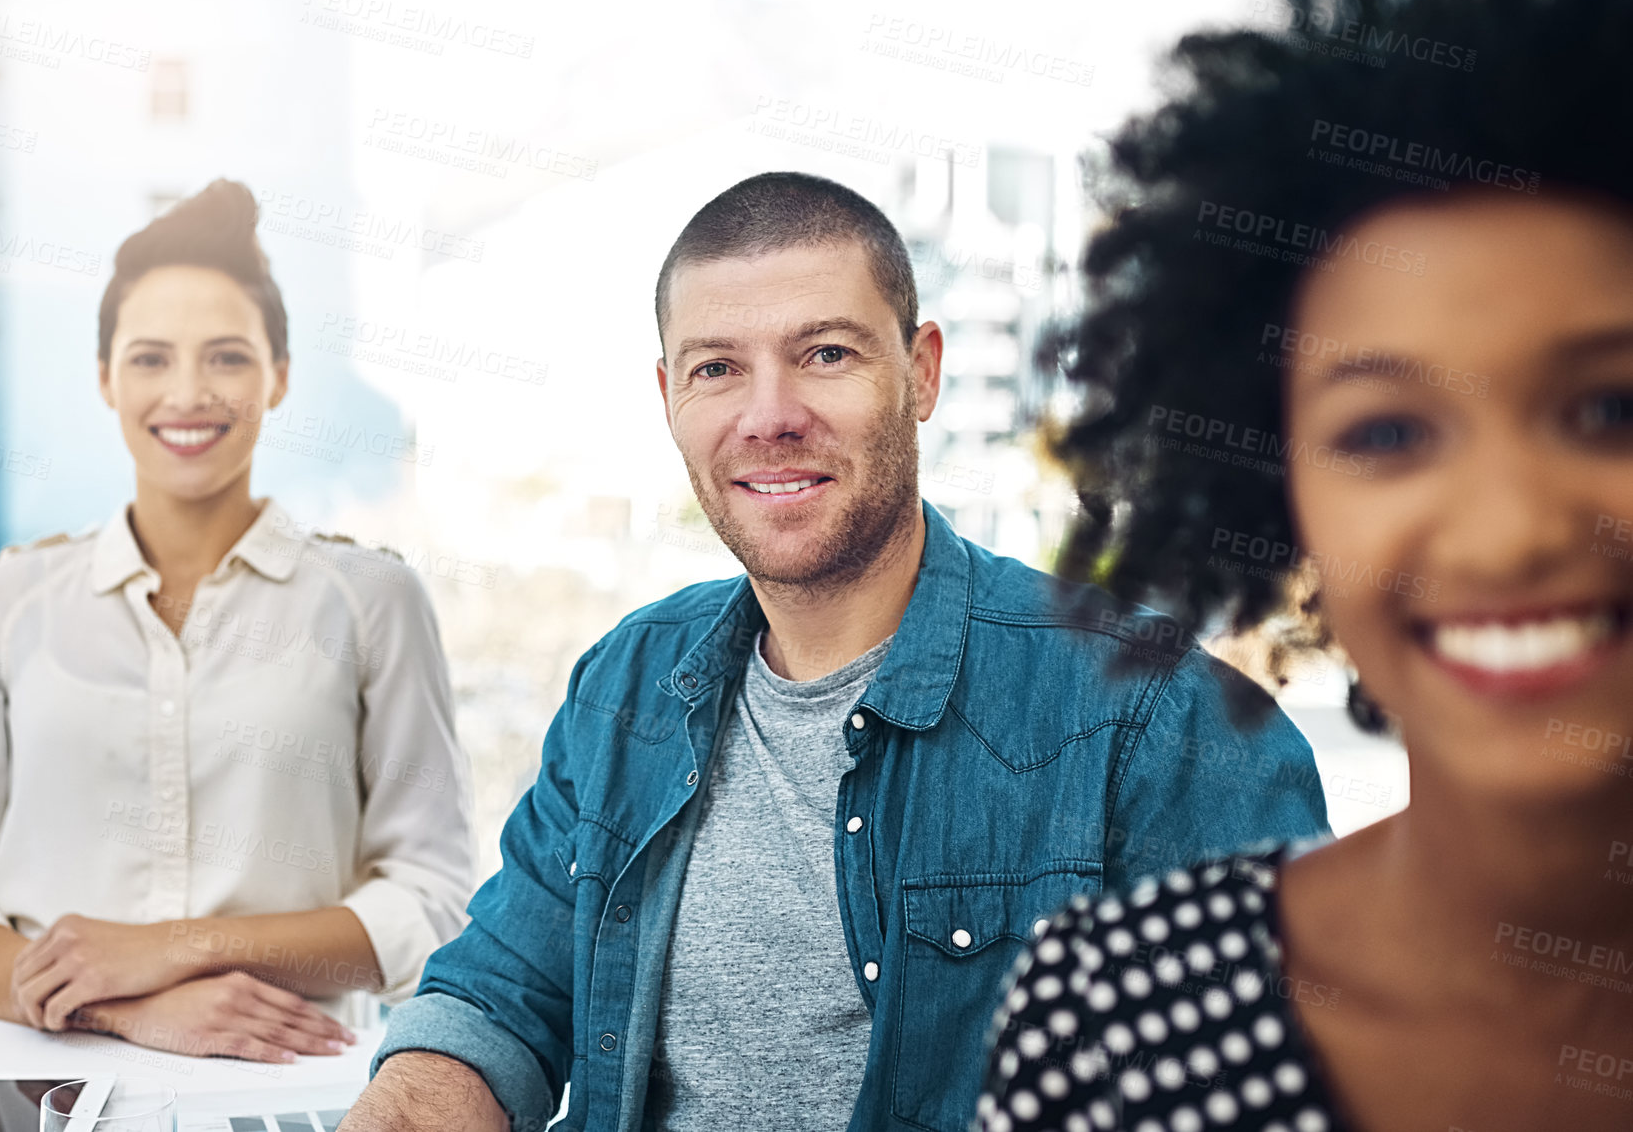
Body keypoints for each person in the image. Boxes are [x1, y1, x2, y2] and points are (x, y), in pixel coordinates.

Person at [342, 171, 1329, 1132]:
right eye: (717, 368)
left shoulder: (1157, 721)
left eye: (823, 354)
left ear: (924, 370)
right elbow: (499, 995)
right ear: (668, 395)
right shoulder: (628, 680)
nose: (769, 416)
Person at [976, 0, 1633, 1129]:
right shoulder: (1117, 1022)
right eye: (1385, 433)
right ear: (1283, 499)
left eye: (1611, 410)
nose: (1511, 527)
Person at [0, 180, 474, 1064]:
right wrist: (121, 1006)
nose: (188, 392)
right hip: (35, 1099)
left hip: (287, 1094)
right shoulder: (0, 604)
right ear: (105, 377)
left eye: (228, 357)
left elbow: (430, 901)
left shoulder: (373, 600)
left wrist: (181, 946)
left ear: (278, 374)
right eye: (150, 358)